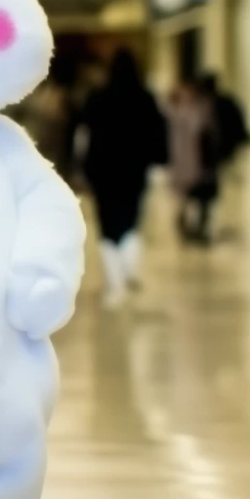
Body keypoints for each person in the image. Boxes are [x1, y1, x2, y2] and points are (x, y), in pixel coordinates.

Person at [81, 49, 168, 306]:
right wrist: (159, 162)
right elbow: (158, 133)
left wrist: (82, 168)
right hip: (135, 170)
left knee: (108, 225)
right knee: (131, 219)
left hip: (103, 171)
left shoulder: (97, 98)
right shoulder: (146, 98)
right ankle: (128, 269)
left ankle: (114, 281)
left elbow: (84, 137)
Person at [166, 77, 219, 244]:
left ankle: (192, 223)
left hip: (194, 160)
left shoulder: (199, 110)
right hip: (186, 159)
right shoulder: (180, 111)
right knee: (187, 194)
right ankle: (186, 222)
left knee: (193, 194)